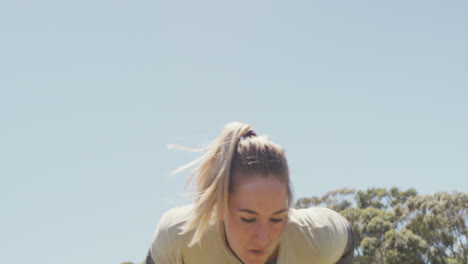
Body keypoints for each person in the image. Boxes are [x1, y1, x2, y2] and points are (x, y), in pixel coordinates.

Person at [146, 122, 355, 264]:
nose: (263, 238)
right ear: (220, 208)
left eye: (277, 219)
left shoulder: (315, 238)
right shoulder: (180, 235)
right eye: (248, 219)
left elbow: (346, 237)